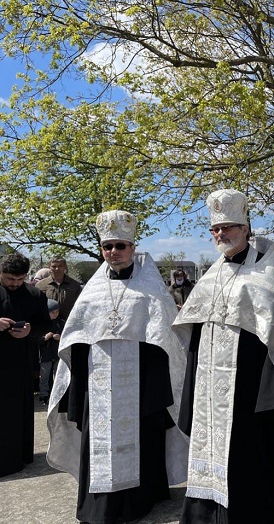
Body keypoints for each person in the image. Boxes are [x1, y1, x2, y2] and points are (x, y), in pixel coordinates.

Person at [47, 210, 190, 524]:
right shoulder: (92, 292)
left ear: (132, 247)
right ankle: (98, 505)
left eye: (120, 245)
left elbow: (165, 335)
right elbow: (77, 334)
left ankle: (143, 498)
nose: (113, 252)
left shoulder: (151, 290)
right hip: (97, 380)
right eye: (107, 246)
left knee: (143, 439)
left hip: (139, 380)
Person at [173, 189, 274, 524]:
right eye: (216, 229)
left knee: (248, 456)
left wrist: (271, 395)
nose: (221, 234)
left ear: (245, 228)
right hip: (210, 388)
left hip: (249, 389)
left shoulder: (266, 277)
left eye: (228, 227)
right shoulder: (210, 276)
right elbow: (193, 332)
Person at [0, 253, 50, 477]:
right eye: (10, 278)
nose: (15, 284)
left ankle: (18, 455)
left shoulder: (34, 294)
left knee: (15, 409)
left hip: (19, 361)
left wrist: (31, 330)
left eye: (20, 279)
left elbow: (44, 325)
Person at [36, 257, 83, 321]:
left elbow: (80, 306)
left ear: (65, 267)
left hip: (68, 323)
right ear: (49, 267)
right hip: (47, 324)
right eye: (54, 266)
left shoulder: (75, 285)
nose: (57, 269)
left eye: (60, 266)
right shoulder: (41, 285)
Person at [38, 299, 64, 405]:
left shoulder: (60, 322)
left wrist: (60, 337)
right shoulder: (41, 323)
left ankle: (57, 394)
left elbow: (67, 336)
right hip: (45, 354)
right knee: (44, 375)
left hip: (57, 353)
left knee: (58, 374)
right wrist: (44, 338)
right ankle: (44, 394)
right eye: (52, 312)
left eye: (57, 312)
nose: (55, 314)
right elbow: (35, 339)